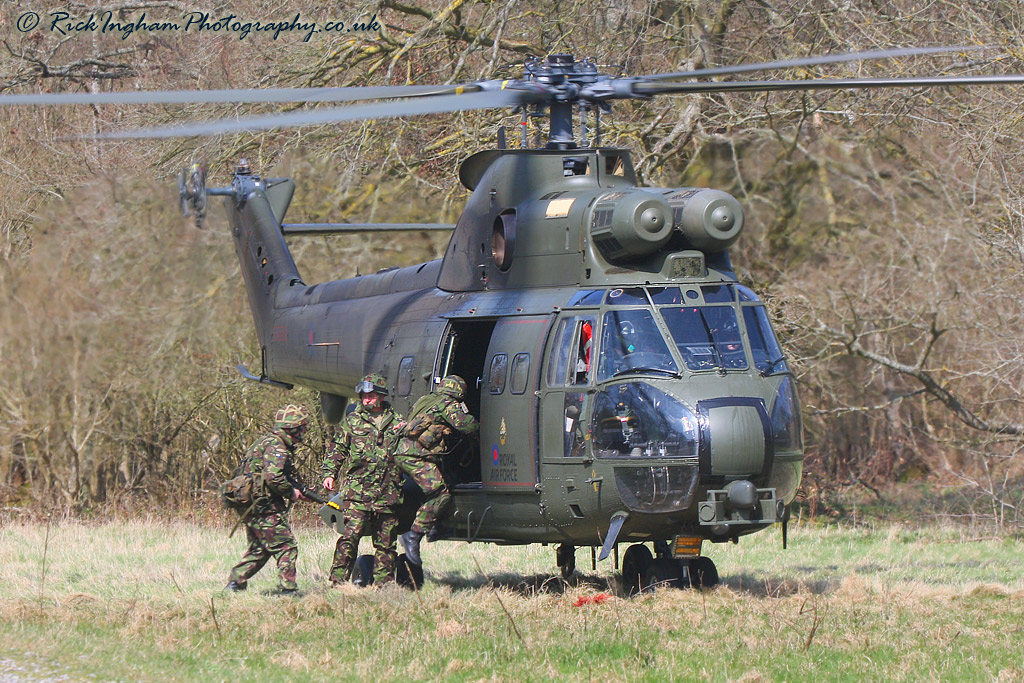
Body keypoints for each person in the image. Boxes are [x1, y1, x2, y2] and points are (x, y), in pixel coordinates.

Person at [321, 373, 405, 586]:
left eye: (371, 395)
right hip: (358, 493)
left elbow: (410, 451)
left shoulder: (398, 422)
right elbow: (338, 448)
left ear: (381, 396)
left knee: (386, 543)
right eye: (363, 396)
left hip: (388, 492)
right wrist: (330, 473)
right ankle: (337, 581)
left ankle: (383, 585)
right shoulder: (353, 421)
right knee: (349, 538)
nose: (366, 399)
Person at [226, 404, 311, 595]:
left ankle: (235, 583)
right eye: (303, 428)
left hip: (252, 505)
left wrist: (299, 490)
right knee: (286, 546)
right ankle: (288, 590)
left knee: (260, 549)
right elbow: (275, 478)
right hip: (263, 506)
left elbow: (268, 475)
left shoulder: (265, 441)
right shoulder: (277, 446)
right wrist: (291, 493)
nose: (304, 432)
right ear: (294, 428)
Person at [398, 375, 479, 566]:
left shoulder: (426, 400)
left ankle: (437, 526)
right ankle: (413, 535)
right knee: (440, 494)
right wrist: (482, 426)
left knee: (447, 481)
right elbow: (466, 425)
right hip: (415, 456)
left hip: (405, 452)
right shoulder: (447, 404)